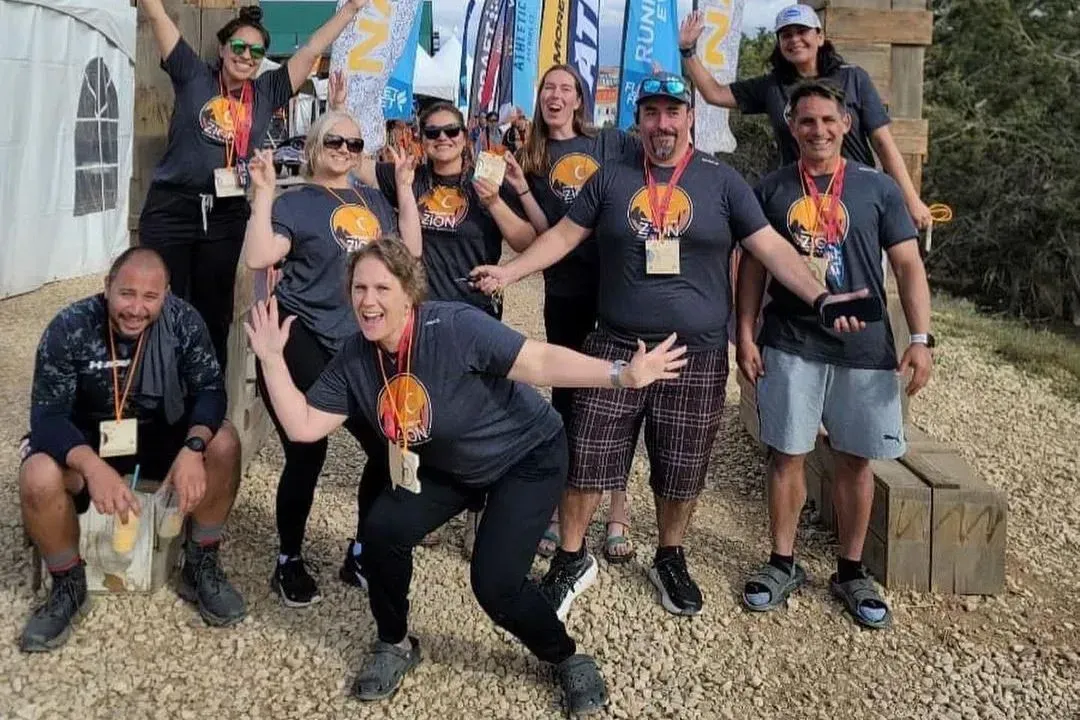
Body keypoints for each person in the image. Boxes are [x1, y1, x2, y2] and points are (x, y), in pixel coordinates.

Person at [471, 71, 871, 619]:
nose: (663, 123)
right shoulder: (611, 176)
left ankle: (669, 554)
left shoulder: (721, 181)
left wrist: (823, 298)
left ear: (690, 117)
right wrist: (510, 273)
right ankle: (570, 557)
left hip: (696, 350)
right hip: (616, 343)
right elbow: (563, 237)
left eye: (673, 112)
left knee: (682, 466)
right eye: (652, 113)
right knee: (586, 455)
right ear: (639, 120)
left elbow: (772, 249)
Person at [245, 238, 688, 714]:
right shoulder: (357, 358)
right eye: (358, 288)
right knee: (381, 530)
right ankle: (394, 642)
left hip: (527, 457)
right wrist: (272, 359)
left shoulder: (453, 327)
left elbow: (537, 360)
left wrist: (621, 374)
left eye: (381, 287)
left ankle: (567, 656)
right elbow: (303, 425)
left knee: (495, 584)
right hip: (449, 466)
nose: (368, 301)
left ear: (409, 291)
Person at [735, 80, 933, 629]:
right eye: (806, 122)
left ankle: (850, 569)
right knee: (787, 455)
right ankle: (782, 561)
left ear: (847, 124)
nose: (818, 131)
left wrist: (920, 339)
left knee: (855, 459)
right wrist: (745, 335)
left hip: (865, 349)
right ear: (791, 127)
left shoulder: (879, 189)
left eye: (828, 120)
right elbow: (752, 267)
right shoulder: (772, 188)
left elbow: (909, 266)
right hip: (791, 341)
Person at [18, 248, 243, 652]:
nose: (136, 308)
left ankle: (200, 564)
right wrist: (90, 466)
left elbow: (210, 391)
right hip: (87, 442)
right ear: (107, 287)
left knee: (223, 442)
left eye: (150, 297)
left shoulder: (183, 322)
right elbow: (47, 418)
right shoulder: (69, 326)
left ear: (166, 294)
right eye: (127, 294)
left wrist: (193, 448)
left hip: (160, 436)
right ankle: (68, 585)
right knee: (37, 475)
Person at [242, 110, 421, 607]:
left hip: (356, 342)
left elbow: (410, 250)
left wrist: (404, 187)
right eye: (336, 141)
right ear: (316, 146)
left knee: (388, 446)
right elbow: (259, 256)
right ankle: (289, 559)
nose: (345, 150)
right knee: (307, 451)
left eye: (355, 143)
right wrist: (263, 195)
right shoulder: (297, 203)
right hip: (301, 334)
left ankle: (360, 551)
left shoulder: (372, 199)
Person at [136, 0, 371, 370]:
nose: (247, 57)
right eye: (239, 47)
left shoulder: (265, 92)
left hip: (225, 214)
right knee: (159, 307)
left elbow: (311, 49)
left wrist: (351, 9)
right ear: (223, 48)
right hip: (173, 208)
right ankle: (159, 395)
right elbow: (157, 15)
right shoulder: (193, 74)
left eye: (257, 51)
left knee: (214, 314)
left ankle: (208, 404)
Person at [513, 64, 637, 562]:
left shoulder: (607, 145)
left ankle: (618, 512)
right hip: (565, 288)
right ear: (540, 98)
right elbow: (548, 231)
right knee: (568, 397)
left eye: (566, 88)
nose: (556, 95)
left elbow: (657, 162)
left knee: (621, 395)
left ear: (580, 100)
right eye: (549, 88)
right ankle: (561, 506)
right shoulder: (533, 156)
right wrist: (521, 187)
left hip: (614, 290)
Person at [679, 4, 932, 229]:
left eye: (802, 31)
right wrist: (688, 51)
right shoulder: (772, 86)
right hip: (800, 202)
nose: (795, 40)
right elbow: (714, 93)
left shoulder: (854, 79)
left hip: (857, 198)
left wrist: (911, 199)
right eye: (786, 35)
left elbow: (883, 142)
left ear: (820, 37)